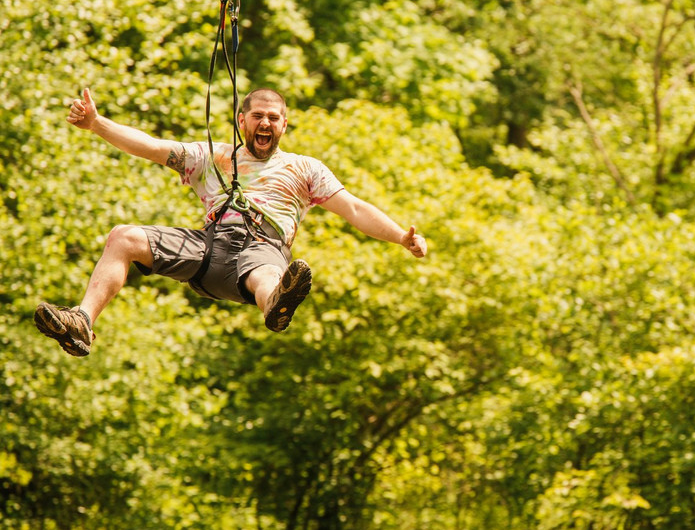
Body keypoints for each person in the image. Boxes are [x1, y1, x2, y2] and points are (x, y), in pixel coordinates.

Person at [35, 87, 428, 357]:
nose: (266, 123)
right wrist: (98, 125)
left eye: (274, 118)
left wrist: (399, 236)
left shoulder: (305, 169)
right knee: (124, 237)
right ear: (242, 120)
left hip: (263, 247)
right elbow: (153, 147)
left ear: (285, 126)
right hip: (208, 247)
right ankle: (82, 321)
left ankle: (275, 303)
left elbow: (354, 209)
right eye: (258, 116)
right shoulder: (211, 156)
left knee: (266, 273)